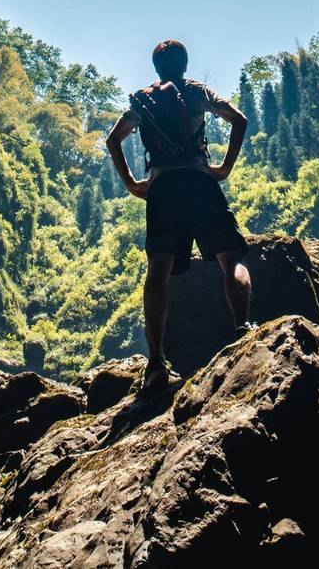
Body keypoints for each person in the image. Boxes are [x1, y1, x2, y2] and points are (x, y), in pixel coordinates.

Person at [105, 38, 253, 394]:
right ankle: (243, 329)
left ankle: (155, 360)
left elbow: (113, 140)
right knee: (229, 257)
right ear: (184, 64)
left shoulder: (143, 99)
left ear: (156, 68)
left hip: (162, 189)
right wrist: (224, 167)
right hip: (200, 182)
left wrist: (132, 184)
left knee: (159, 268)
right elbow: (239, 120)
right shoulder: (197, 91)